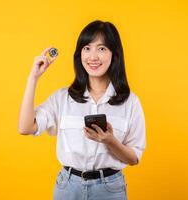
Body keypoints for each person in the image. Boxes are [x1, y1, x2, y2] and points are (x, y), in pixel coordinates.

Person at [18, 20, 146, 200]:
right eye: (87, 48)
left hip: (109, 190)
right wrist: (33, 78)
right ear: (80, 54)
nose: (93, 57)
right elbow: (25, 128)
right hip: (68, 188)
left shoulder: (130, 102)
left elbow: (134, 158)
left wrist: (110, 141)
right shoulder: (63, 98)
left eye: (101, 49)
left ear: (114, 55)